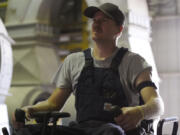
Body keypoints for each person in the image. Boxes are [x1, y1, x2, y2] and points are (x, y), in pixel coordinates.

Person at [13, 2, 164, 135]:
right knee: (30, 132)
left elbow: (157, 105)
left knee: (111, 131)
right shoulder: (74, 61)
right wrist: (30, 109)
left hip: (118, 130)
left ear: (118, 30)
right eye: (94, 20)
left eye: (104, 20)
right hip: (83, 130)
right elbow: (54, 104)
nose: (96, 24)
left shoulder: (133, 62)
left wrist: (140, 112)